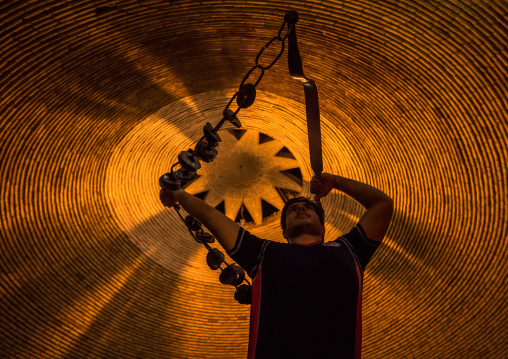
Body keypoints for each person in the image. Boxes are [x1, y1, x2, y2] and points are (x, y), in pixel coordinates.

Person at [160, 172, 394, 359]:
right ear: (284, 231)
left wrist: (334, 181)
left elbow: (382, 204)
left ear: (323, 226)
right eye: (292, 210)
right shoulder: (263, 252)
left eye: (307, 207)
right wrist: (178, 193)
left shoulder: (349, 249)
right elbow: (211, 216)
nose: (301, 209)